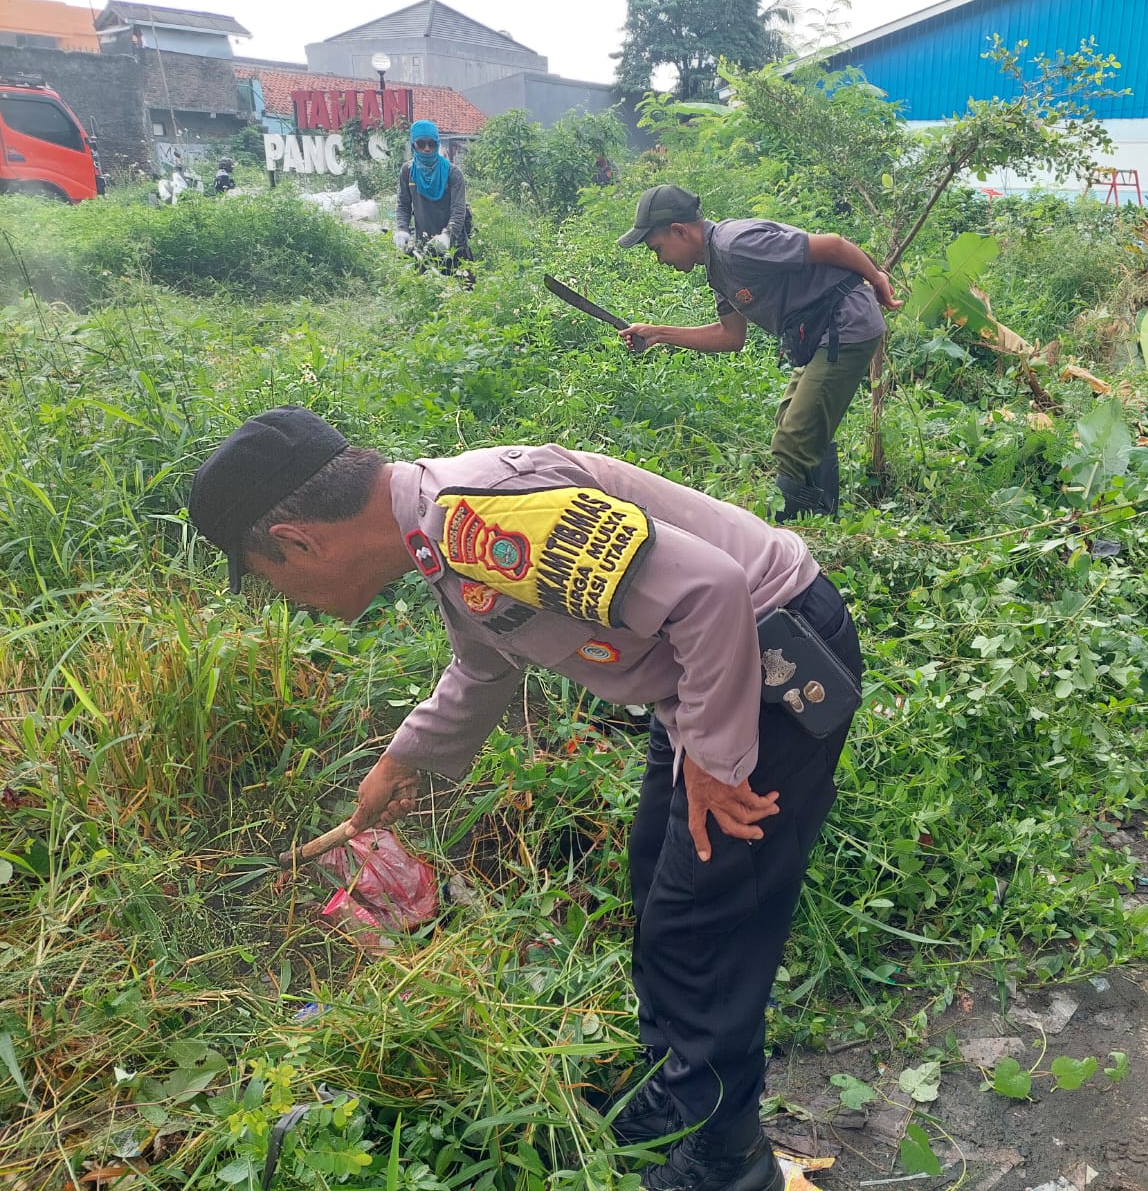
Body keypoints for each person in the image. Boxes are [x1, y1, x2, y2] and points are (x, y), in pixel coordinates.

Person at [188, 406, 862, 1191]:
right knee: (660, 879)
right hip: (699, 678)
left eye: (271, 579)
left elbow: (710, 592)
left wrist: (716, 760)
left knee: (708, 915)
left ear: (300, 540)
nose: (288, 600)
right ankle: (668, 1100)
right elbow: (483, 665)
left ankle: (724, 1159)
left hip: (766, 667)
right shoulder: (439, 534)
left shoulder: (480, 520)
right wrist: (404, 760)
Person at [616, 185, 902, 522]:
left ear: (680, 230)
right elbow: (730, 336)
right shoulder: (718, 266)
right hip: (817, 333)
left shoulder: (737, 245)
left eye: (657, 248)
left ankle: (791, 535)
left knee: (794, 442)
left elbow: (834, 246)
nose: (660, 259)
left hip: (845, 324)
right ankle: (824, 519)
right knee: (792, 424)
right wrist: (658, 333)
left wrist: (878, 278)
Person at [395, 119, 472, 274]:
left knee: (463, 291)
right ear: (413, 145)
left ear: (437, 144)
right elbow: (403, 204)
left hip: (454, 245)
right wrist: (402, 228)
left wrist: (447, 235)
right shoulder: (408, 172)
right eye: (421, 144)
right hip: (423, 244)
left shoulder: (452, 173)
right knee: (426, 291)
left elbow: (458, 210)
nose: (427, 148)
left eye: (432, 143)